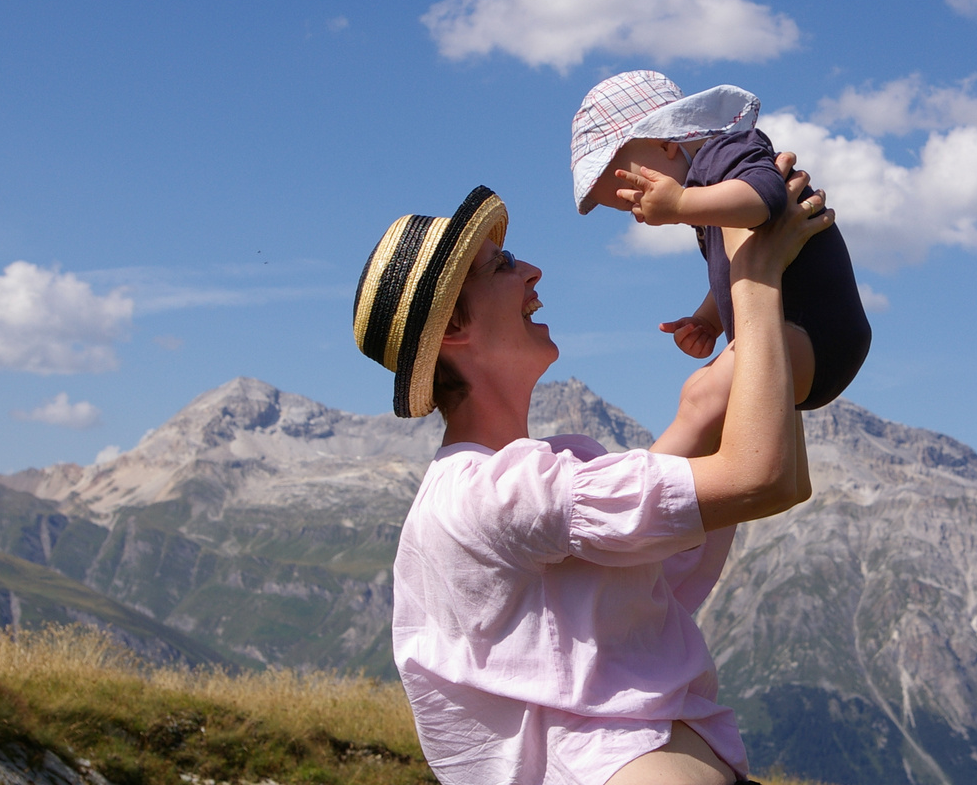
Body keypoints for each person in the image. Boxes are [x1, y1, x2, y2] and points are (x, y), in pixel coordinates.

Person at [353, 170, 833, 785]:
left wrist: (704, 405)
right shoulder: (499, 493)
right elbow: (764, 479)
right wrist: (756, 280)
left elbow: (648, 573)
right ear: (452, 329)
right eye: (500, 266)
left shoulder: (534, 475)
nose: (532, 271)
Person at [570, 70, 872, 458]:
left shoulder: (723, 154)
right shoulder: (708, 196)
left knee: (703, 399)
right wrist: (707, 320)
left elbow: (766, 196)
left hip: (813, 332)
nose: (638, 212)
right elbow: (738, 264)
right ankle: (681, 502)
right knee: (697, 390)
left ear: (666, 143)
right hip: (800, 338)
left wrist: (679, 206)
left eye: (634, 196)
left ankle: (632, 494)